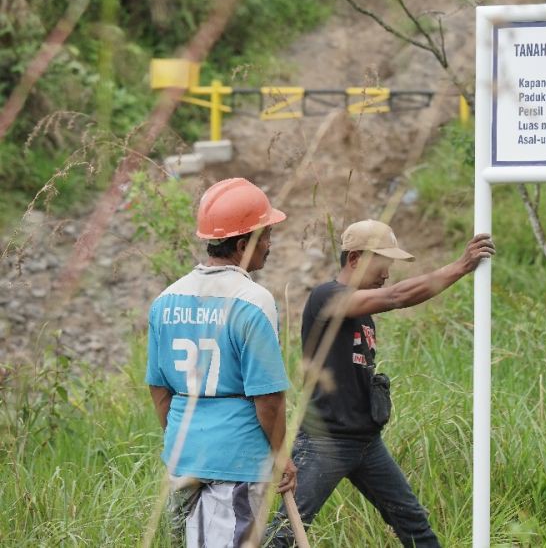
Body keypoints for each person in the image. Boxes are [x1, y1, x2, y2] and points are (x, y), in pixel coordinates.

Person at [266, 219, 495, 547]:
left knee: (414, 524)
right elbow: (398, 296)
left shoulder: (362, 313)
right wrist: (461, 267)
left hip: (367, 442)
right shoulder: (326, 298)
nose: (387, 274)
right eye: (382, 265)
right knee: (283, 535)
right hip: (325, 442)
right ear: (355, 258)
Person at [146, 177, 297, 547]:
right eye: (265, 236)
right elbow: (268, 400)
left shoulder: (166, 299)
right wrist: (282, 456)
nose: (270, 245)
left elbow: (158, 388)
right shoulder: (253, 300)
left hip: (183, 455)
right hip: (239, 460)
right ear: (243, 245)